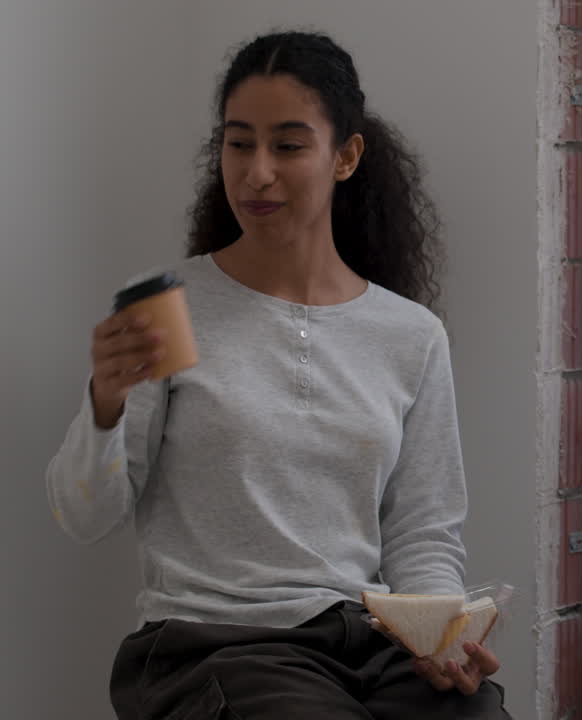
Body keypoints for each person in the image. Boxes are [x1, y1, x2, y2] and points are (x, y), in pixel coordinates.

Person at [46, 31, 510, 720]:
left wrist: (439, 639)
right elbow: (83, 516)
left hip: (367, 646)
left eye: (288, 146)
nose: (256, 172)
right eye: (238, 143)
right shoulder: (167, 313)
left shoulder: (411, 336)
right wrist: (105, 406)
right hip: (212, 647)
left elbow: (423, 534)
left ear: (345, 156)